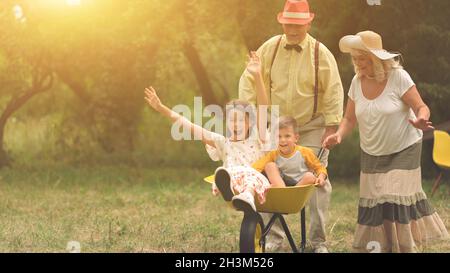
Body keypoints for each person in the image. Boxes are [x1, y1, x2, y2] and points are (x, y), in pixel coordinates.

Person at [323, 30, 449, 253]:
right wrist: (339, 135)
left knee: (394, 196)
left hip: (404, 147)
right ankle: (387, 247)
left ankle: (406, 248)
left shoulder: (399, 77)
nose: (358, 64)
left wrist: (421, 118)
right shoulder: (356, 82)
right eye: (355, 59)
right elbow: (349, 118)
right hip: (372, 151)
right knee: (379, 202)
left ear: (376, 59)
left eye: (363, 58)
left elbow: (421, 106)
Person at [239, 0, 344, 253]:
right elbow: (250, 82)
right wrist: (248, 117)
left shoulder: (321, 53)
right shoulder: (269, 48)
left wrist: (332, 127)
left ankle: (318, 242)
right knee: (264, 174)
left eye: (298, 24)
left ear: (310, 21)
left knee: (319, 181)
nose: (293, 29)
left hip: (311, 125)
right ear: (281, 21)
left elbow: (333, 91)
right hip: (276, 126)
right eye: (289, 24)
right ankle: (274, 237)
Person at [145, 53, 272, 212]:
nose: (235, 124)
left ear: (249, 123)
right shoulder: (222, 142)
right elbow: (189, 125)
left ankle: (247, 196)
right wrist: (162, 109)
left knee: (249, 176)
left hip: (255, 182)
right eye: (232, 120)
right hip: (234, 179)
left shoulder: (257, 138)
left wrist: (258, 76)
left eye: (240, 120)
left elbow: (262, 108)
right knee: (225, 172)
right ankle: (230, 189)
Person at [252, 116, 327, 188]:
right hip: (281, 183)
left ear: (296, 138)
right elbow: (257, 166)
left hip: (300, 184)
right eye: (279, 136)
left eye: (287, 136)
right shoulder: (273, 154)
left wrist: (321, 177)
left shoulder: (305, 152)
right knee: (269, 166)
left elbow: (319, 167)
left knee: (310, 176)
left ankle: (291, 194)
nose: (282, 140)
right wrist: (247, 174)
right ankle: (282, 191)